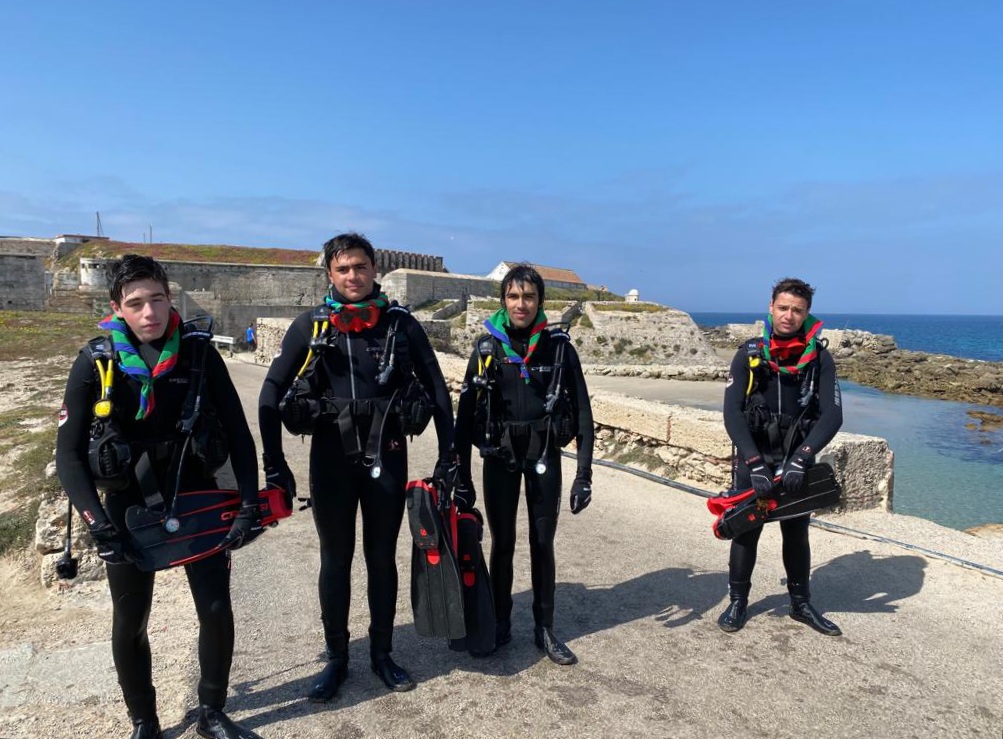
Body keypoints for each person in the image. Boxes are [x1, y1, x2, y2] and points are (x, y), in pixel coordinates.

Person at [56, 255, 264, 739]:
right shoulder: (96, 362)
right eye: (136, 303)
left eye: (157, 299)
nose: (149, 312)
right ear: (117, 308)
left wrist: (249, 505)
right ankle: (144, 723)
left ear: (169, 298)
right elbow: (67, 455)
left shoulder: (199, 355)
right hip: (126, 509)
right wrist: (98, 526)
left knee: (215, 610)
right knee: (131, 619)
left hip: (197, 498)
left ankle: (212, 712)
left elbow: (237, 433)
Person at [258, 232, 454, 700]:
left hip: (386, 456)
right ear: (329, 274)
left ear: (374, 271)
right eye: (343, 269)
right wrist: (274, 464)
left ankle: (383, 654)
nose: (353, 276)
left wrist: (451, 460)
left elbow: (440, 393)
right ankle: (337, 658)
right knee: (335, 560)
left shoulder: (401, 327)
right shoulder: (311, 326)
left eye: (360, 267)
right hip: (330, 461)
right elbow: (270, 394)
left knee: (381, 557)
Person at [453, 264, 595, 665]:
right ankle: (500, 624)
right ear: (503, 301)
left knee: (542, 544)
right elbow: (464, 421)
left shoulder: (561, 349)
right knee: (503, 544)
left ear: (540, 302)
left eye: (528, 297)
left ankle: (544, 628)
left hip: (543, 454)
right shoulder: (486, 349)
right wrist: (460, 474)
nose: (521, 304)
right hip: (500, 455)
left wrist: (584, 474)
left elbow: (583, 414)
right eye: (513, 297)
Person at [718, 277, 844, 636]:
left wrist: (804, 456)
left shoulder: (818, 358)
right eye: (784, 307)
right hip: (754, 458)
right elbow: (732, 413)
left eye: (798, 310)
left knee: (797, 532)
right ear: (771, 308)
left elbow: (832, 414)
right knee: (746, 531)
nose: (789, 315)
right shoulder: (749, 353)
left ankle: (801, 604)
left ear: (807, 314)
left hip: (795, 459)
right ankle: (738, 602)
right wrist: (754, 462)